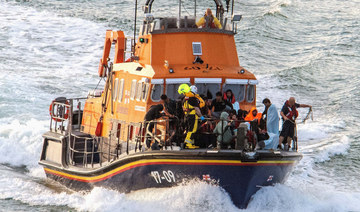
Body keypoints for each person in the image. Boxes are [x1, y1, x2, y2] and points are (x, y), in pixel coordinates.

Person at [178, 84, 205, 149]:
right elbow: (197, 109)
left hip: (187, 116)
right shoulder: (193, 99)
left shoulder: (184, 99)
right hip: (193, 116)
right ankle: (188, 143)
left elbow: (183, 108)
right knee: (193, 129)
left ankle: (191, 142)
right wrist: (202, 117)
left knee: (189, 129)